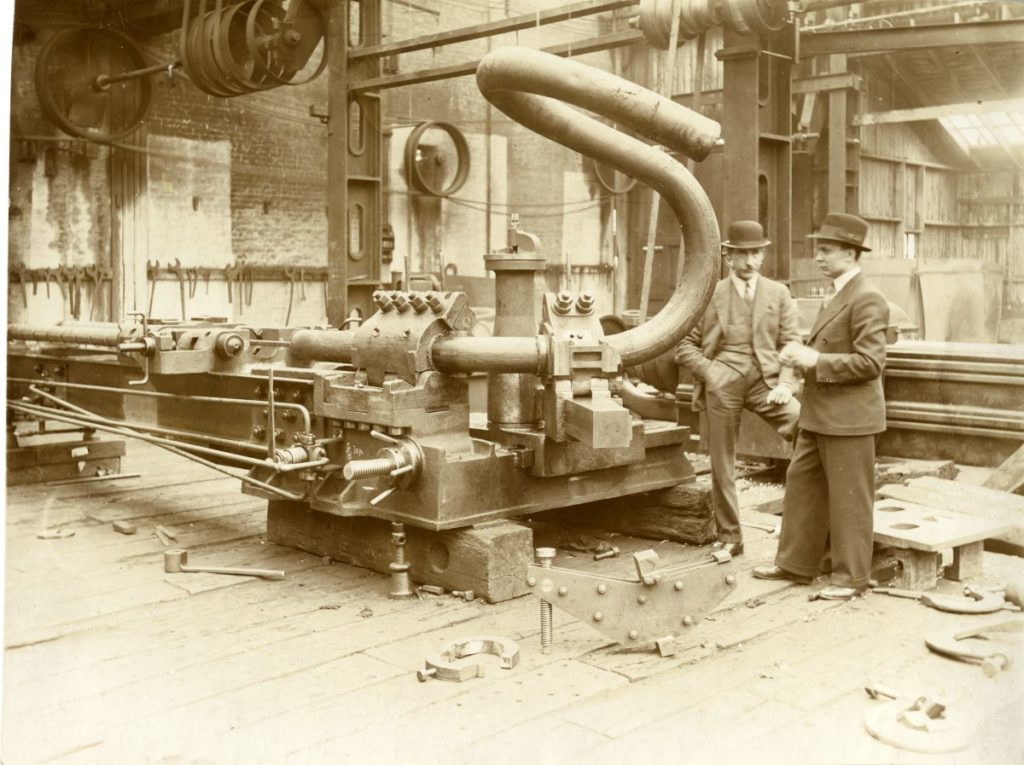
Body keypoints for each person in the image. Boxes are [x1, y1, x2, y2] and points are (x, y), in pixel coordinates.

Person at [753, 212, 889, 600]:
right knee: (802, 487)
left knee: (850, 501)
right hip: (820, 416)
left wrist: (814, 360)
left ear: (850, 253)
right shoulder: (838, 294)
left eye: (826, 250)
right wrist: (800, 358)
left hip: (849, 420)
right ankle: (796, 564)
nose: (818, 257)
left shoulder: (867, 298)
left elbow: (871, 363)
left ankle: (850, 579)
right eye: (820, 250)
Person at [676, 220, 801, 557]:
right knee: (722, 462)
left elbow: (792, 343)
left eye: (756, 253)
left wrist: (786, 384)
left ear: (763, 254)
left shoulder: (778, 293)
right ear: (729, 256)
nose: (750, 261)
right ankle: (731, 537)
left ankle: (806, 528)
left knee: (807, 425)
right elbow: (685, 345)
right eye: (743, 254)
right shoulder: (710, 294)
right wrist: (712, 373)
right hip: (723, 382)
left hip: (766, 382)